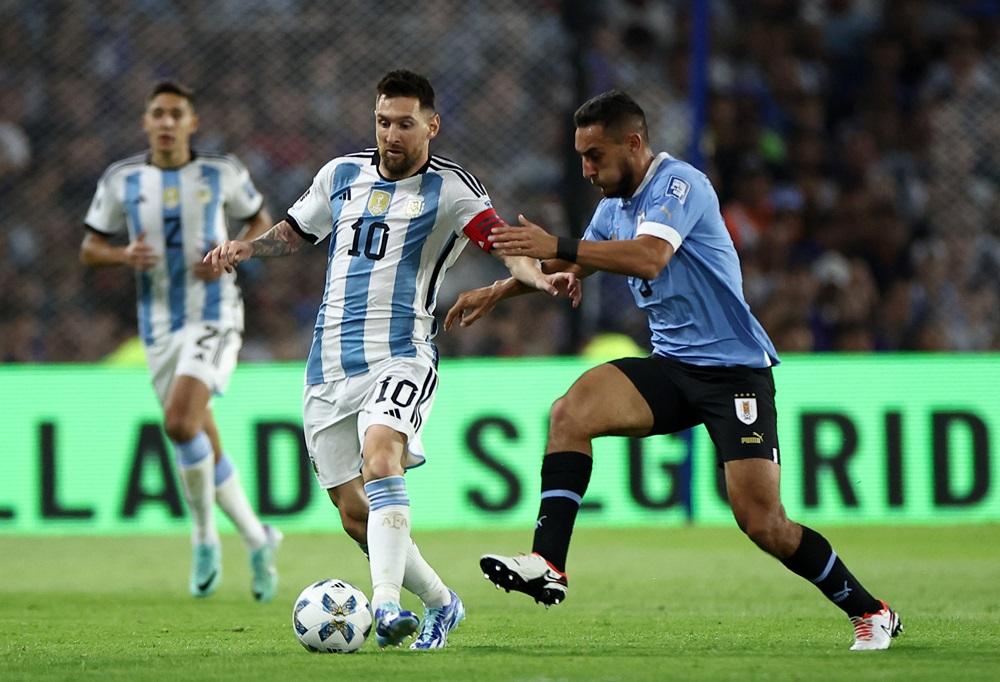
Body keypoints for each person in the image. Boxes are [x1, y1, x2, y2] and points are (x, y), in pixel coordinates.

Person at [445, 90, 902, 652]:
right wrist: (498, 289)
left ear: (633, 143)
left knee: (763, 522)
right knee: (570, 413)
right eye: (581, 157)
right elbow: (569, 259)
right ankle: (548, 563)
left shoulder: (680, 185)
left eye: (595, 156)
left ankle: (871, 610)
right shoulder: (614, 205)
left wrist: (560, 245)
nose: (586, 170)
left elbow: (647, 257)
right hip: (672, 367)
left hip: (734, 374)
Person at [204, 70, 578, 649]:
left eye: (405, 124)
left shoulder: (451, 189)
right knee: (354, 514)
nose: (391, 135)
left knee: (383, 459)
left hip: (401, 355)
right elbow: (297, 233)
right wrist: (246, 248)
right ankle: (442, 603)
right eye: (383, 122)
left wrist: (537, 277)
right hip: (328, 367)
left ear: (432, 125)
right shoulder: (340, 175)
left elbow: (503, 244)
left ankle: (383, 606)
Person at [80, 80, 282, 602]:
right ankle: (257, 537)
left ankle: (204, 537)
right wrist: (123, 255)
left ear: (192, 123)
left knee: (178, 422)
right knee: (197, 434)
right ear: (146, 122)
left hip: (215, 314)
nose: (166, 122)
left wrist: (233, 250)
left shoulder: (222, 172)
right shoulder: (122, 179)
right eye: (158, 114)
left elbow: (260, 220)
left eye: (176, 114)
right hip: (158, 326)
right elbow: (90, 248)